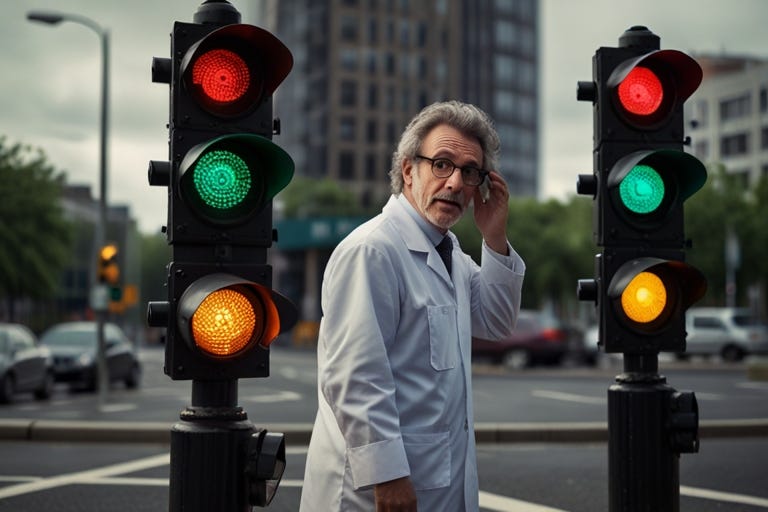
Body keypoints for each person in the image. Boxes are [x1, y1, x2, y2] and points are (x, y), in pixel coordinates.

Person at [300, 101, 525, 511]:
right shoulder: (373, 251)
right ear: (408, 171)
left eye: (469, 172)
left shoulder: (450, 253)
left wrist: (494, 236)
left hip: (437, 481)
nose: (455, 183)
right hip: (376, 492)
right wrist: (388, 474)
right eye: (442, 164)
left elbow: (496, 320)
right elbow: (356, 376)